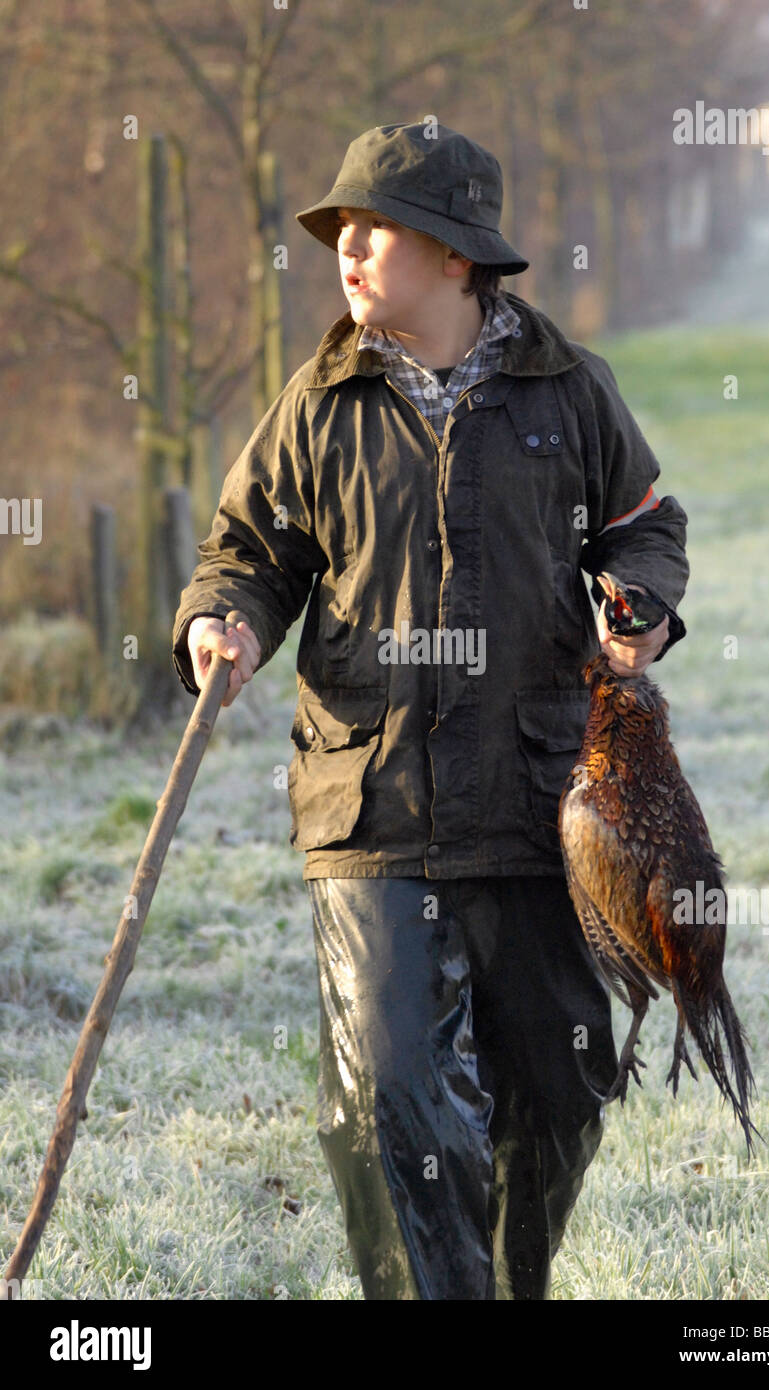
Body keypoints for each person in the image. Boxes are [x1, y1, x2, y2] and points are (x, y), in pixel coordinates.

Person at [171, 121, 689, 1301]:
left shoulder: (570, 391)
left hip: (538, 799)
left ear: (458, 254)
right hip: (370, 801)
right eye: (338, 231)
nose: (346, 250)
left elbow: (643, 523)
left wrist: (641, 602)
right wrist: (223, 621)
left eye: (376, 229)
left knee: (558, 1093)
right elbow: (248, 549)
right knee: (389, 1101)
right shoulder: (319, 402)